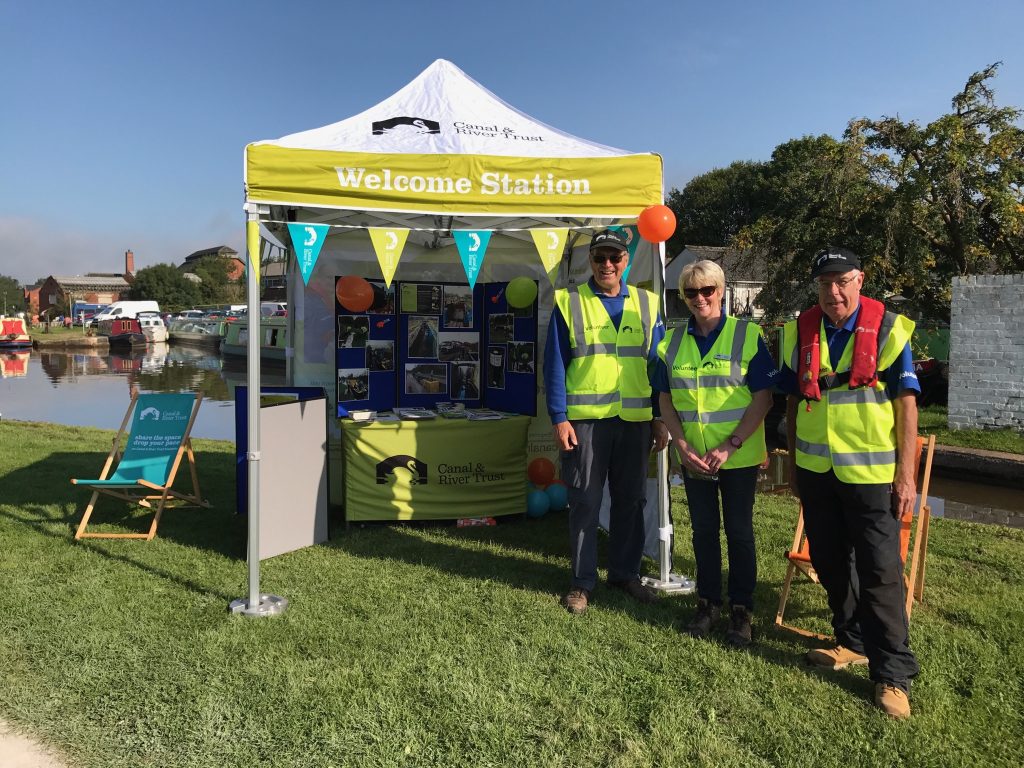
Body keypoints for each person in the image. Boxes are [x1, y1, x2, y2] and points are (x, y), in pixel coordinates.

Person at [780, 247, 921, 720]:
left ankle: (892, 674)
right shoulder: (798, 334)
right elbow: (793, 404)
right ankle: (852, 642)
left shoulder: (888, 331)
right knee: (829, 561)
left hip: (872, 476)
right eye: (825, 283)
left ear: (860, 280)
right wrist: (796, 466)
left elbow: (906, 409)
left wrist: (906, 474)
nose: (833, 292)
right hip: (818, 473)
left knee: (881, 573)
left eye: (842, 281)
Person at [544, 229, 670, 615]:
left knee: (631, 501)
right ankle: (582, 582)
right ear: (591, 261)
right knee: (585, 501)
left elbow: (658, 368)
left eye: (615, 258)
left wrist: (660, 417)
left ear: (626, 260)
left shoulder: (649, 305)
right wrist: (559, 417)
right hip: (585, 423)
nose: (607, 265)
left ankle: (625, 574)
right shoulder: (568, 302)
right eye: (600, 258)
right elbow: (554, 365)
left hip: (635, 422)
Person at [654, 260, 776, 646]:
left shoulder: (748, 335)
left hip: (736, 456)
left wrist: (731, 444)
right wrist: (682, 444)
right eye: (691, 292)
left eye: (707, 290)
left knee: (739, 532)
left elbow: (764, 398)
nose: (700, 298)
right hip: (693, 457)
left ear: (721, 292)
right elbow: (665, 401)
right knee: (704, 532)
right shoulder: (669, 342)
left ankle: (742, 611)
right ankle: (708, 604)